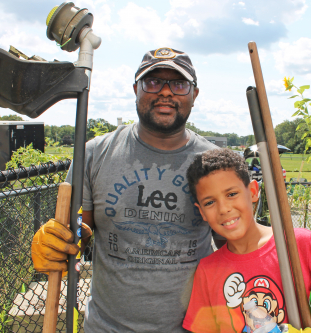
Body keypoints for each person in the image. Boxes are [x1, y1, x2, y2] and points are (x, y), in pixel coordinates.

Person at [31, 47, 218, 332]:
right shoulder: (94, 154)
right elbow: (79, 228)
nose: (166, 92)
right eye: (153, 82)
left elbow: (237, 243)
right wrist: (60, 241)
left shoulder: (215, 164)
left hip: (195, 327)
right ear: (135, 89)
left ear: (195, 94)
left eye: (179, 84)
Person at [183, 149, 311, 333]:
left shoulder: (298, 244)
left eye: (231, 194)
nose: (223, 209)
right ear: (202, 212)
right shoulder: (207, 270)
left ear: (253, 191)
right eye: (209, 203)